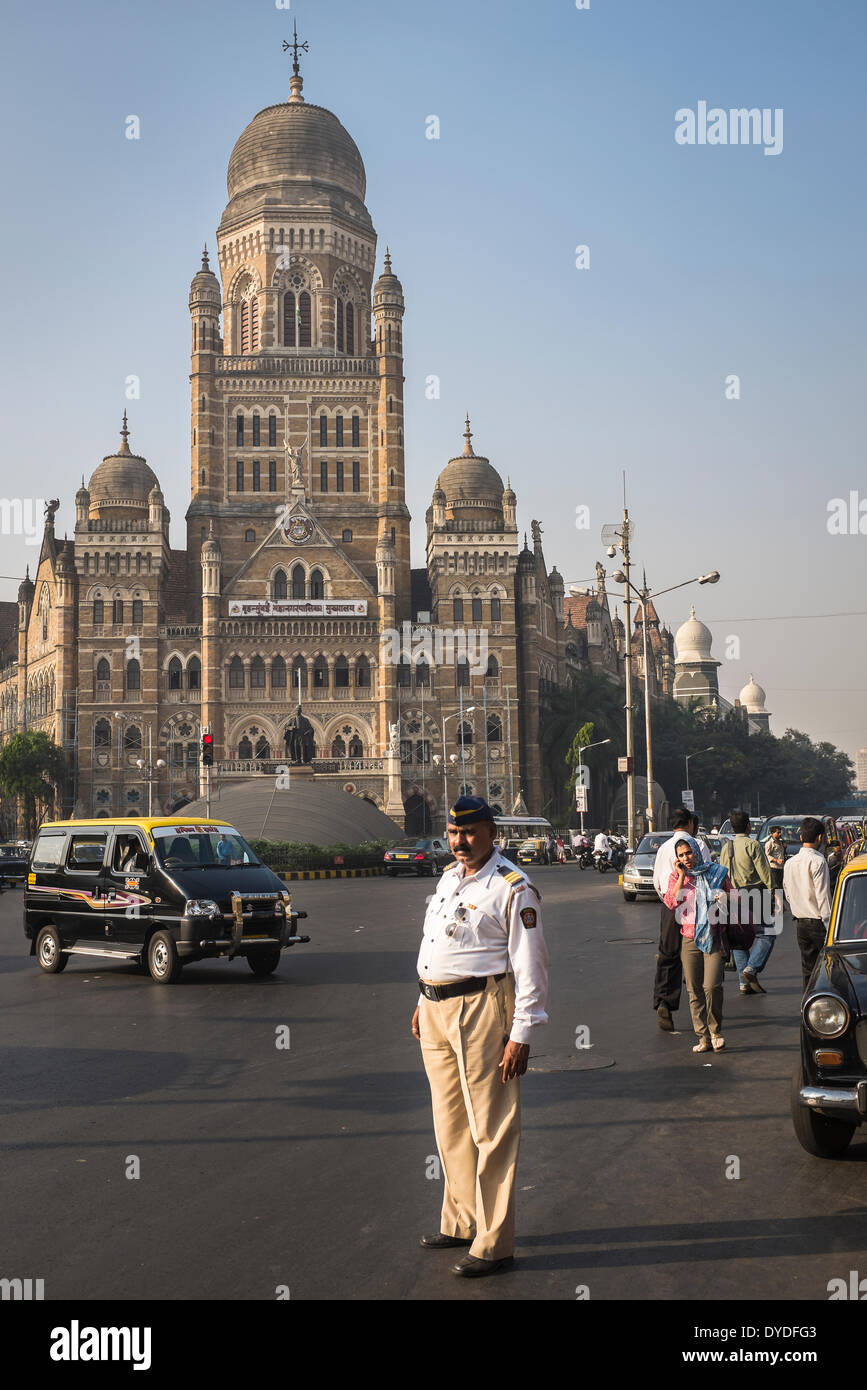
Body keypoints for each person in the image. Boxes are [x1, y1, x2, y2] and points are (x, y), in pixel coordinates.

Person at [412, 795, 549, 1278]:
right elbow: (441, 942)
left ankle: (494, 1243)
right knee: (449, 1123)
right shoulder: (450, 877)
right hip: (436, 1009)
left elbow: (530, 967)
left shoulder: (513, 887)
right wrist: (424, 998)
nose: (459, 842)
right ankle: (462, 1219)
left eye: (469, 833)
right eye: (453, 833)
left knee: (491, 1128)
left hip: (482, 1010)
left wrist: (522, 1033)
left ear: (492, 831)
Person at [665, 835, 733, 1052]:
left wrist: (723, 897)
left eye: (689, 853)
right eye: (681, 855)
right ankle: (703, 1037)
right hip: (689, 938)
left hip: (714, 936)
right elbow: (671, 902)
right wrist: (681, 876)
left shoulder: (717, 872)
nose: (686, 858)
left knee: (711, 987)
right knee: (694, 990)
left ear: (697, 851)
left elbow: (735, 897)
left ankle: (716, 1031)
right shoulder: (676, 877)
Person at [652, 809, 711, 1030]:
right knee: (701, 952)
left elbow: (658, 882)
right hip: (695, 908)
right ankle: (702, 1007)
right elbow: (706, 873)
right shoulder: (697, 845)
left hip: (670, 906)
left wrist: (669, 900)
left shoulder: (664, 848)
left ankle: (664, 1002)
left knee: (668, 954)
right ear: (689, 823)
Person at [720, 811, 774, 995]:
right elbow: (765, 873)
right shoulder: (753, 845)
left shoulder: (726, 847)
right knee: (767, 933)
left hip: (731, 895)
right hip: (753, 894)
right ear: (748, 826)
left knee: (739, 939)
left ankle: (744, 984)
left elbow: (722, 873)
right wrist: (774, 892)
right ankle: (751, 969)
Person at [783, 817, 833, 990]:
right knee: (828, 968)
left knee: (808, 969)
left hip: (801, 923)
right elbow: (823, 899)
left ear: (802, 837)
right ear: (820, 838)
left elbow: (788, 894)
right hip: (819, 922)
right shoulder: (819, 861)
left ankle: (808, 1004)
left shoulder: (789, 863)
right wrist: (831, 929)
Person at [765, 824, 786, 916]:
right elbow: (767, 855)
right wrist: (776, 860)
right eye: (778, 832)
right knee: (775, 888)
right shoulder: (769, 843)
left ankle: (779, 906)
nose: (779, 834)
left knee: (780, 887)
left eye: (780, 832)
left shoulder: (780, 842)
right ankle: (771, 907)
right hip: (773, 868)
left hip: (781, 868)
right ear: (772, 833)